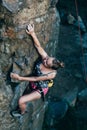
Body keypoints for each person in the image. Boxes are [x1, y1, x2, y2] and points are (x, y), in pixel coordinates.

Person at [10, 24, 64, 117]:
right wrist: (32, 33)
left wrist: (19, 78)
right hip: (33, 84)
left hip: (40, 89)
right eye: (47, 58)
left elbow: (35, 78)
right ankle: (22, 107)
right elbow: (38, 47)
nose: (45, 59)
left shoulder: (51, 74)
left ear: (50, 67)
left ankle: (21, 113)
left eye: (47, 62)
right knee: (24, 99)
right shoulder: (46, 58)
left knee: (21, 100)